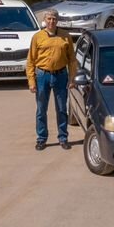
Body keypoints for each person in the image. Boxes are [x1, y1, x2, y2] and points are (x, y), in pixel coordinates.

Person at [26, 9, 78, 151]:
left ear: (57, 20)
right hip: (43, 76)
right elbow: (30, 60)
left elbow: (72, 60)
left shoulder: (65, 36)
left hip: (61, 75)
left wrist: (72, 78)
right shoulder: (37, 37)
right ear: (45, 20)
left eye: (54, 19)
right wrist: (31, 81)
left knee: (61, 109)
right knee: (41, 109)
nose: (51, 21)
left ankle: (63, 138)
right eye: (49, 19)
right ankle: (41, 138)